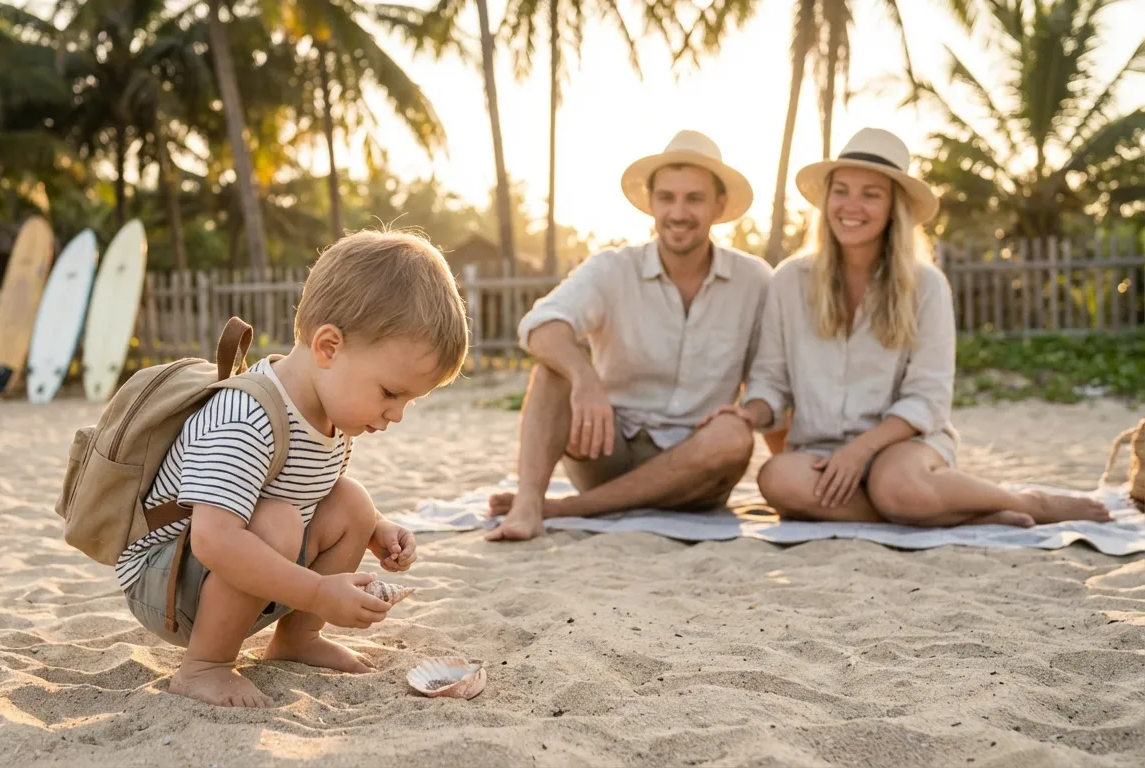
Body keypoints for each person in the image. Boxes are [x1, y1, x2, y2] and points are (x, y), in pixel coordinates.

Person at [117, 230, 470, 707]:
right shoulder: (249, 416)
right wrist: (320, 592)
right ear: (328, 347)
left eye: (408, 399)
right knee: (277, 520)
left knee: (351, 501)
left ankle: (296, 640)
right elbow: (214, 539)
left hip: (228, 572)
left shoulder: (330, 413)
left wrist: (375, 529)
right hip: (167, 586)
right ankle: (205, 665)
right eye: (390, 392)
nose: (396, 414)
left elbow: (315, 494)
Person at [705, 127, 1109, 527]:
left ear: (894, 207)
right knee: (776, 480)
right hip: (820, 449)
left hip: (905, 446)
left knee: (895, 485)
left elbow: (928, 398)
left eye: (871, 194)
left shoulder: (926, 285)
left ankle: (1025, 501)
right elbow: (770, 381)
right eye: (841, 190)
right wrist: (749, 415)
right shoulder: (790, 279)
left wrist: (860, 451)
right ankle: (957, 517)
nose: (851, 205)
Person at [486, 130, 774, 542]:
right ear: (651, 203)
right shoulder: (612, 268)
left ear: (719, 205)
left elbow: (771, 379)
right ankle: (529, 502)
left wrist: (751, 413)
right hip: (606, 449)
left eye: (694, 198)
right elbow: (540, 324)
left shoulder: (755, 280)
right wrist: (585, 380)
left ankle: (562, 509)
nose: (678, 212)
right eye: (667, 198)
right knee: (552, 371)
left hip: (698, 471)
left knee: (734, 435)